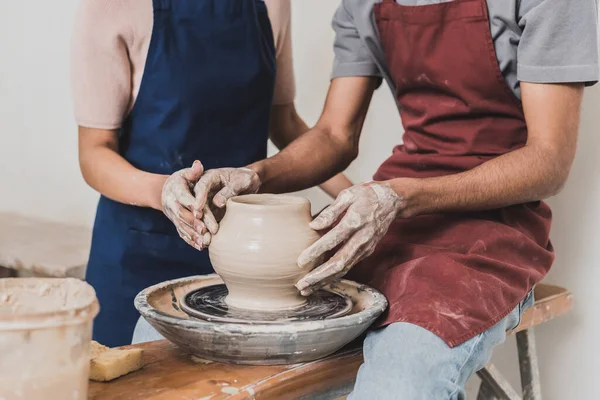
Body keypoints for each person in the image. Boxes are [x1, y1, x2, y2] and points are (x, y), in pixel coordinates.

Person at [189, 0, 599, 397]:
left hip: (495, 229)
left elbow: (549, 160)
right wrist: (255, 175)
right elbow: (335, 135)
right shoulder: (363, 4)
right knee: (200, 341)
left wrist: (402, 196)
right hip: (389, 216)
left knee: (400, 380)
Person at [71, 0, 352, 347]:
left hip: (246, 259)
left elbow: (285, 123)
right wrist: (162, 192)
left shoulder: (272, 4)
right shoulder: (112, 5)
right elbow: (94, 152)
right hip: (139, 255)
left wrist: (353, 198)